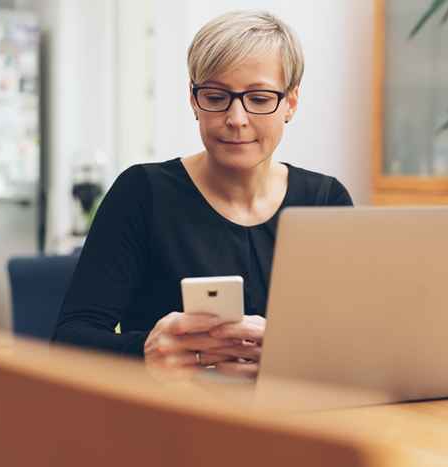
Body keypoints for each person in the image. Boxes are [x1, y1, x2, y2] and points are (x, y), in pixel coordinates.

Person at [52, 10, 353, 378]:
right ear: (194, 100)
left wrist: (291, 354)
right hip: (175, 422)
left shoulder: (324, 200)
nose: (236, 118)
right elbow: (68, 342)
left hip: (297, 421)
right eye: (216, 96)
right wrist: (144, 351)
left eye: (259, 99)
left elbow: (351, 342)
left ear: (290, 103)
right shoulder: (142, 194)